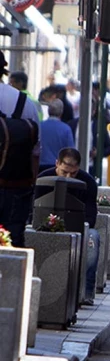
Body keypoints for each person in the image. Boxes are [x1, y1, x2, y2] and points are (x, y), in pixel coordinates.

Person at [35, 148, 99, 304]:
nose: (69, 177)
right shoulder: (43, 178)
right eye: (64, 172)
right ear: (57, 163)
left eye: (73, 174)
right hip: (45, 225)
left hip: (78, 226)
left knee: (93, 238)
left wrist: (83, 226)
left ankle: (87, 291)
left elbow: (91, 213)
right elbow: (35, 207)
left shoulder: (88, 182)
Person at [0, 51, 41, 247]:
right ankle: (11, 276)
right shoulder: (25, 102)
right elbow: (35, 150)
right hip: (16, 184)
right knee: (14, 237)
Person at [39, 98, 75, 168]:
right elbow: (70, 152)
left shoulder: (39, 126)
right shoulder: (66, 129)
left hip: (40, 166)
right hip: (57, 167)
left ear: (48, 110)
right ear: (61, 112)